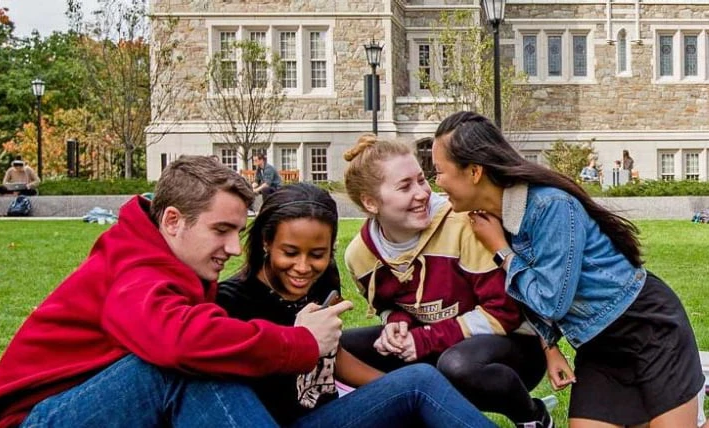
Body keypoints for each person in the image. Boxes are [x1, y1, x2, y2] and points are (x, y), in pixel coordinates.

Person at [0, 156, 494, 428]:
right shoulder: (133, 267)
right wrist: (299, 341)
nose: (233, 247)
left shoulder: (181, 271)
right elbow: (181, 345)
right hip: (36, 420)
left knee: (414, 383)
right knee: (181, 362)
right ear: (172, 220)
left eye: (237, 231)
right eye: (221, 230)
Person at [431, 111, 704, 428]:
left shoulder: (550, 207)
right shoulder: (492, 221)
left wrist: (502, 252)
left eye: (439, 172)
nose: (437, 182)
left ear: (474, 171)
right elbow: (531, 294)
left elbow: (550, 300)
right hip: (599, 347)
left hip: (649, 330)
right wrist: (550, 348)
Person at [213, 182, 497, 428]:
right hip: (285, 421)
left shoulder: (322, 279)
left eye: (317, 254)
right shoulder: (232, 301)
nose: (303, 267)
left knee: (418, 390)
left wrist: (393, 390)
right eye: (290, 252)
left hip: (332, 409)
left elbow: (333, 355)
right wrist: (408, 389)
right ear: (266, 242)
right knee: (420, 382)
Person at [333, 135, 552, 427]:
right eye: (405, 186)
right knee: (340, 348)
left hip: (507, 348)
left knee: (458, 364)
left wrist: (424, 339)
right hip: (432, 343)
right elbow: (387, 304)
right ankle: (406, 410)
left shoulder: (463, 223)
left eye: (421, 180)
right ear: (371, 202)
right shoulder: (359, 255)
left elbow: (504, 313)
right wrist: (396, 323)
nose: (422, 193)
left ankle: (532, 416)